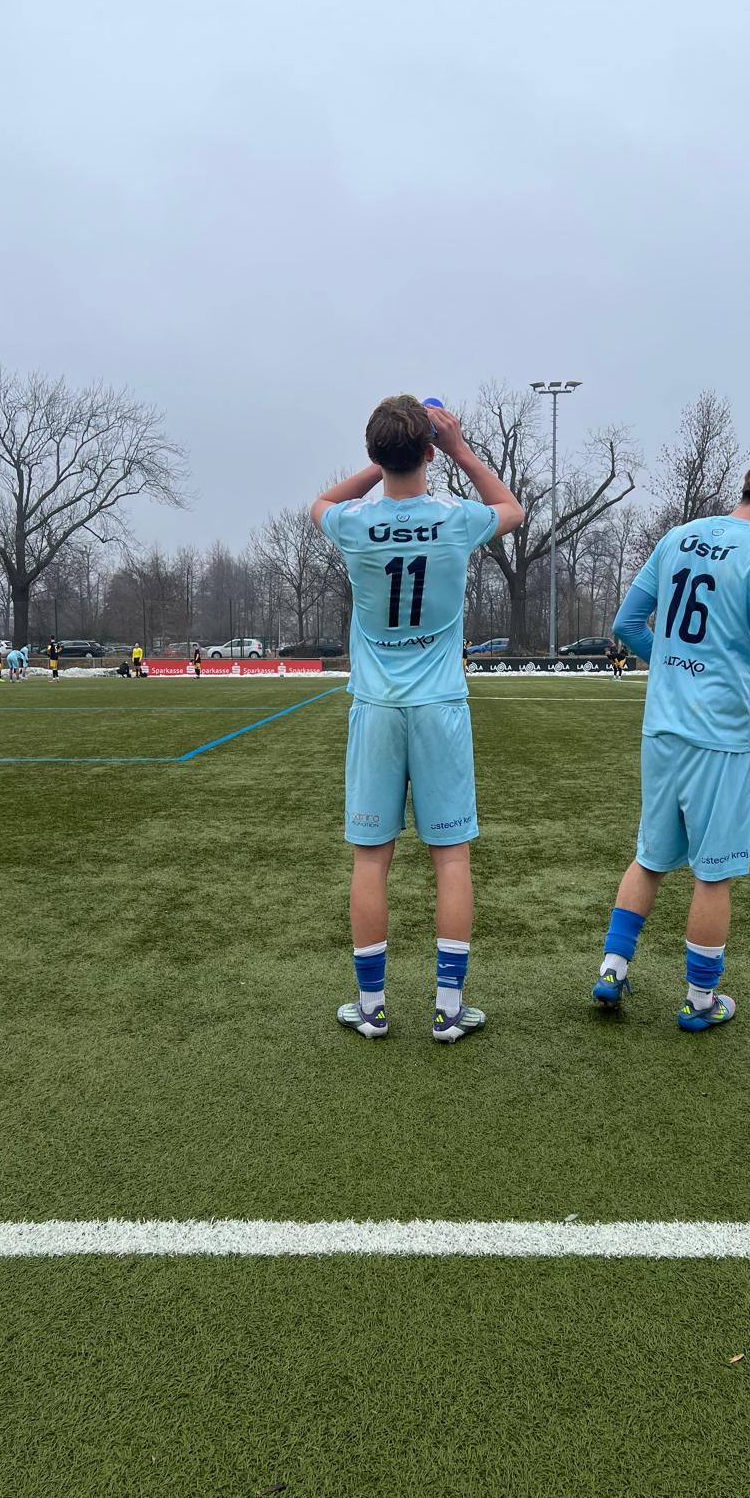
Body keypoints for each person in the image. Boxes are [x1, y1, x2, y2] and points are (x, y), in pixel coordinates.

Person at [312, 396, 524, 1044]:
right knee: (451, 859)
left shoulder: (352, 524)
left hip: (376, 710)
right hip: (439, 709)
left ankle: (372, 1009)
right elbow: (512, 508)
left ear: (376, 455)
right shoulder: (456, 519)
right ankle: (449, 1010)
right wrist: (458, 447)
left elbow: (320, 502)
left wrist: (381, 463)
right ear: (429, 451)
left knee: (371, 860)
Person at [592, 452, 750, 1031]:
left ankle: (612, 969)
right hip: (720, 735)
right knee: (712, 873)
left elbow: (625, 626)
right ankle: (700, 1000)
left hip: (662, 729)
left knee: (650, 856)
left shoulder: (678, 537)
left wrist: (670, 666)